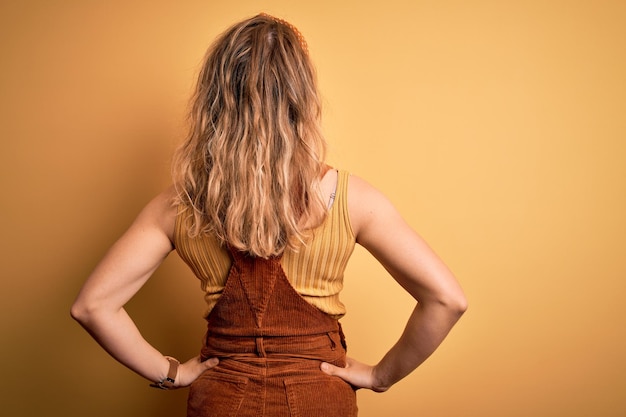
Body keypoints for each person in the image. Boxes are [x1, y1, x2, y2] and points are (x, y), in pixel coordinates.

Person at [71, 13, 467, 417]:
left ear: (213, 101)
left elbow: (92, 306)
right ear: (302, 97)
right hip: (321, 398)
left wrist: (169, 371)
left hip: (222, 400)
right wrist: (382, 376)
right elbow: (446, 299)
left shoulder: (178, 206)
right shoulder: (351, 199)